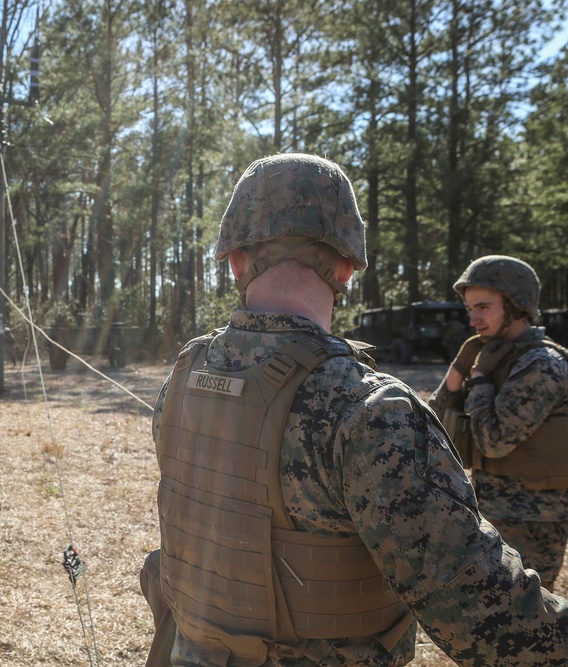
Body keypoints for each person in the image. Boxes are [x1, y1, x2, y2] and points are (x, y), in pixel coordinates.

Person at [141, 153, 568, 667]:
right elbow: (497, 623)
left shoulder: (182, 379)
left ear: (235, 259)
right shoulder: (367, 409)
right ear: (346, 266)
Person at [429, 255, 568, 589]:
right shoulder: (491, 353)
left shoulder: (541, 365)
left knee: (527, 626)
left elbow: (493, 440)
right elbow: (434, 418)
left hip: (533, 519)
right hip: (491, 510)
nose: (474, 319)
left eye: (484, 307)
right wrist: (459, 369)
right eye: (470, 309)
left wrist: (477, 379)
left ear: (517, 306)